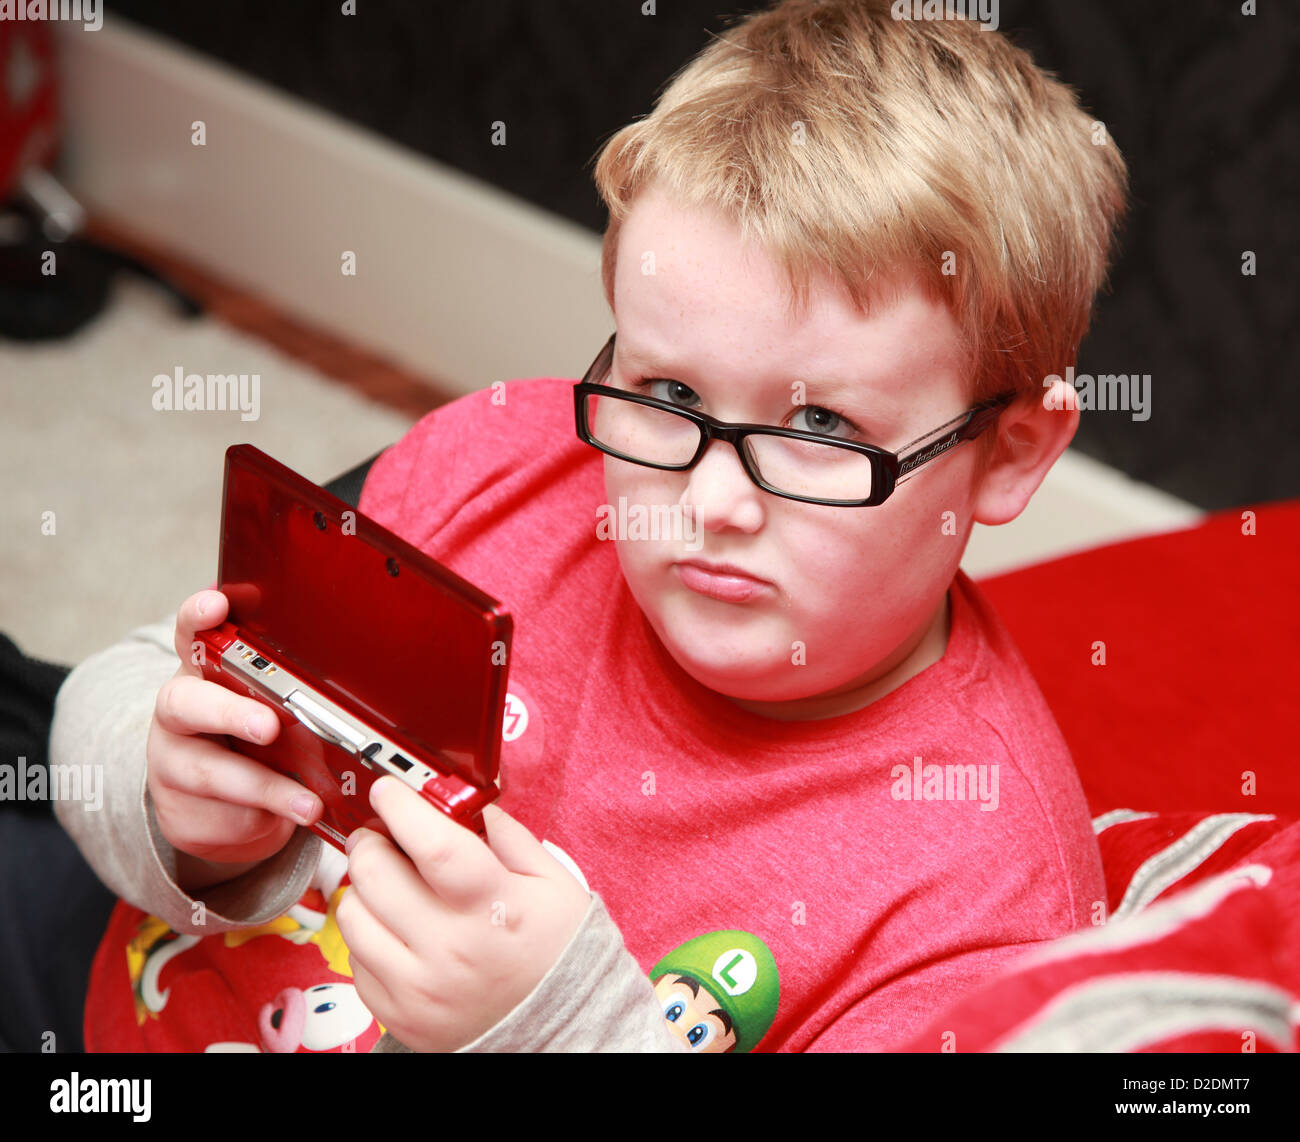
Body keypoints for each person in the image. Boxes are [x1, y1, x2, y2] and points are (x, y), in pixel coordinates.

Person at [47, 0, 1127, 1052]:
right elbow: (130, 681)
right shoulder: (499, 469)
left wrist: (555, 1026)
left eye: (820, 424)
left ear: (1012, 451)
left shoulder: (983, 915)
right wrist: (173, 802)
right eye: (669, 394)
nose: (710, 502)